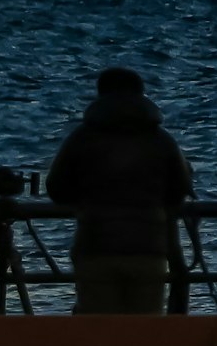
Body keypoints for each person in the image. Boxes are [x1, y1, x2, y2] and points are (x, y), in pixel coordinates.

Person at [44, 66, 194, 315]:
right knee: (145, 331)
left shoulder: (82, 138)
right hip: (148, 247)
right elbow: (179, 191)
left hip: (95, 245)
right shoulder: (161, 140)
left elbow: (56, 189)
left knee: (98, 332)